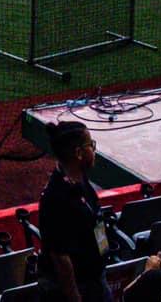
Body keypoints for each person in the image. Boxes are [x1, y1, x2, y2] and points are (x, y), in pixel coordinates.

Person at [38, 122, 108, 302]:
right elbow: (60, 257)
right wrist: (75, 297)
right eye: (90, 145)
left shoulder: (80, 179)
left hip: (95, 278)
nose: (94, 150)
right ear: (78, 153)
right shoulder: (56, 198)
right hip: (77, 288)